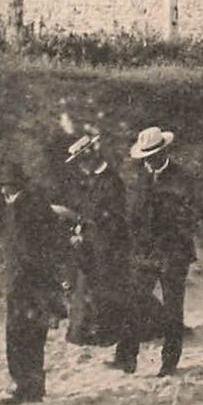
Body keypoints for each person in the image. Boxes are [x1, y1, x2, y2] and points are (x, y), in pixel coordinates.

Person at [113, 126, 197, 377]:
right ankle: (126, 359)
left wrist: (168, 235)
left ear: (164, 152)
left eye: (154, 156)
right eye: (146, 157)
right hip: (146, 254)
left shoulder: (182, 178)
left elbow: (189, 217)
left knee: (173, 310)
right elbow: (133, 215)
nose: (150, 161)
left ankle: (169, 363)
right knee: (134, 302)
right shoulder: (140, 179)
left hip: (173, 254)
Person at [0, 161, 65, 405]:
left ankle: (23, 386)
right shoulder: (36, 204)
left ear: (6, 188)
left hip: (24, 283)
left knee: (18, 335)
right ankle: (34, 387)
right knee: (35, 335)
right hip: (38, 282)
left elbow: (26, 250)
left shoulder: (18, 208)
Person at [62, 130, 131, 353]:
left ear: (90, 159)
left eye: (81, 162)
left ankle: (105, 333)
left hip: (109, 246)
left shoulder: (111, 181)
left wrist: (87, 228)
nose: (80, 167)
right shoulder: (92, 182)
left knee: (105, 288)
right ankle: (86, 332)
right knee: (87, 287)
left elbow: (113, 216)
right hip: (93, 244)